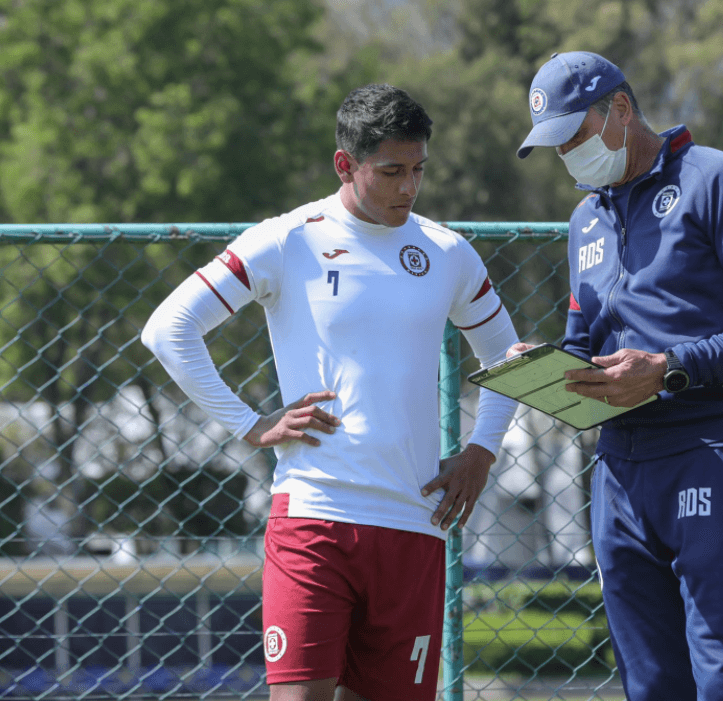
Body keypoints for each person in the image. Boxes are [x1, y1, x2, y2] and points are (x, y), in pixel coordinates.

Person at [142, 84, 518, 701]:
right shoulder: (288, 239)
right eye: (392, 171)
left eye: (418, 169)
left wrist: (482, 451)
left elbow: (507, 357)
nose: (409, 187)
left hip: (415, 522)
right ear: (346, 164)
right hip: (314, 518)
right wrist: (248, 423)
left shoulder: (448, 251)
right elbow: (168, 329)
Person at [512, 52, 723, 701]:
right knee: (648, 684)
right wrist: (544, 369)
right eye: (553, 145)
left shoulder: (720, 180)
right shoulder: (583, 221)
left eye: (573, 135)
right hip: (619, 467)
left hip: (716, 446)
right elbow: (581, 341)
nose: (566, 155)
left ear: (619, 110)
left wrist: (670, 370)